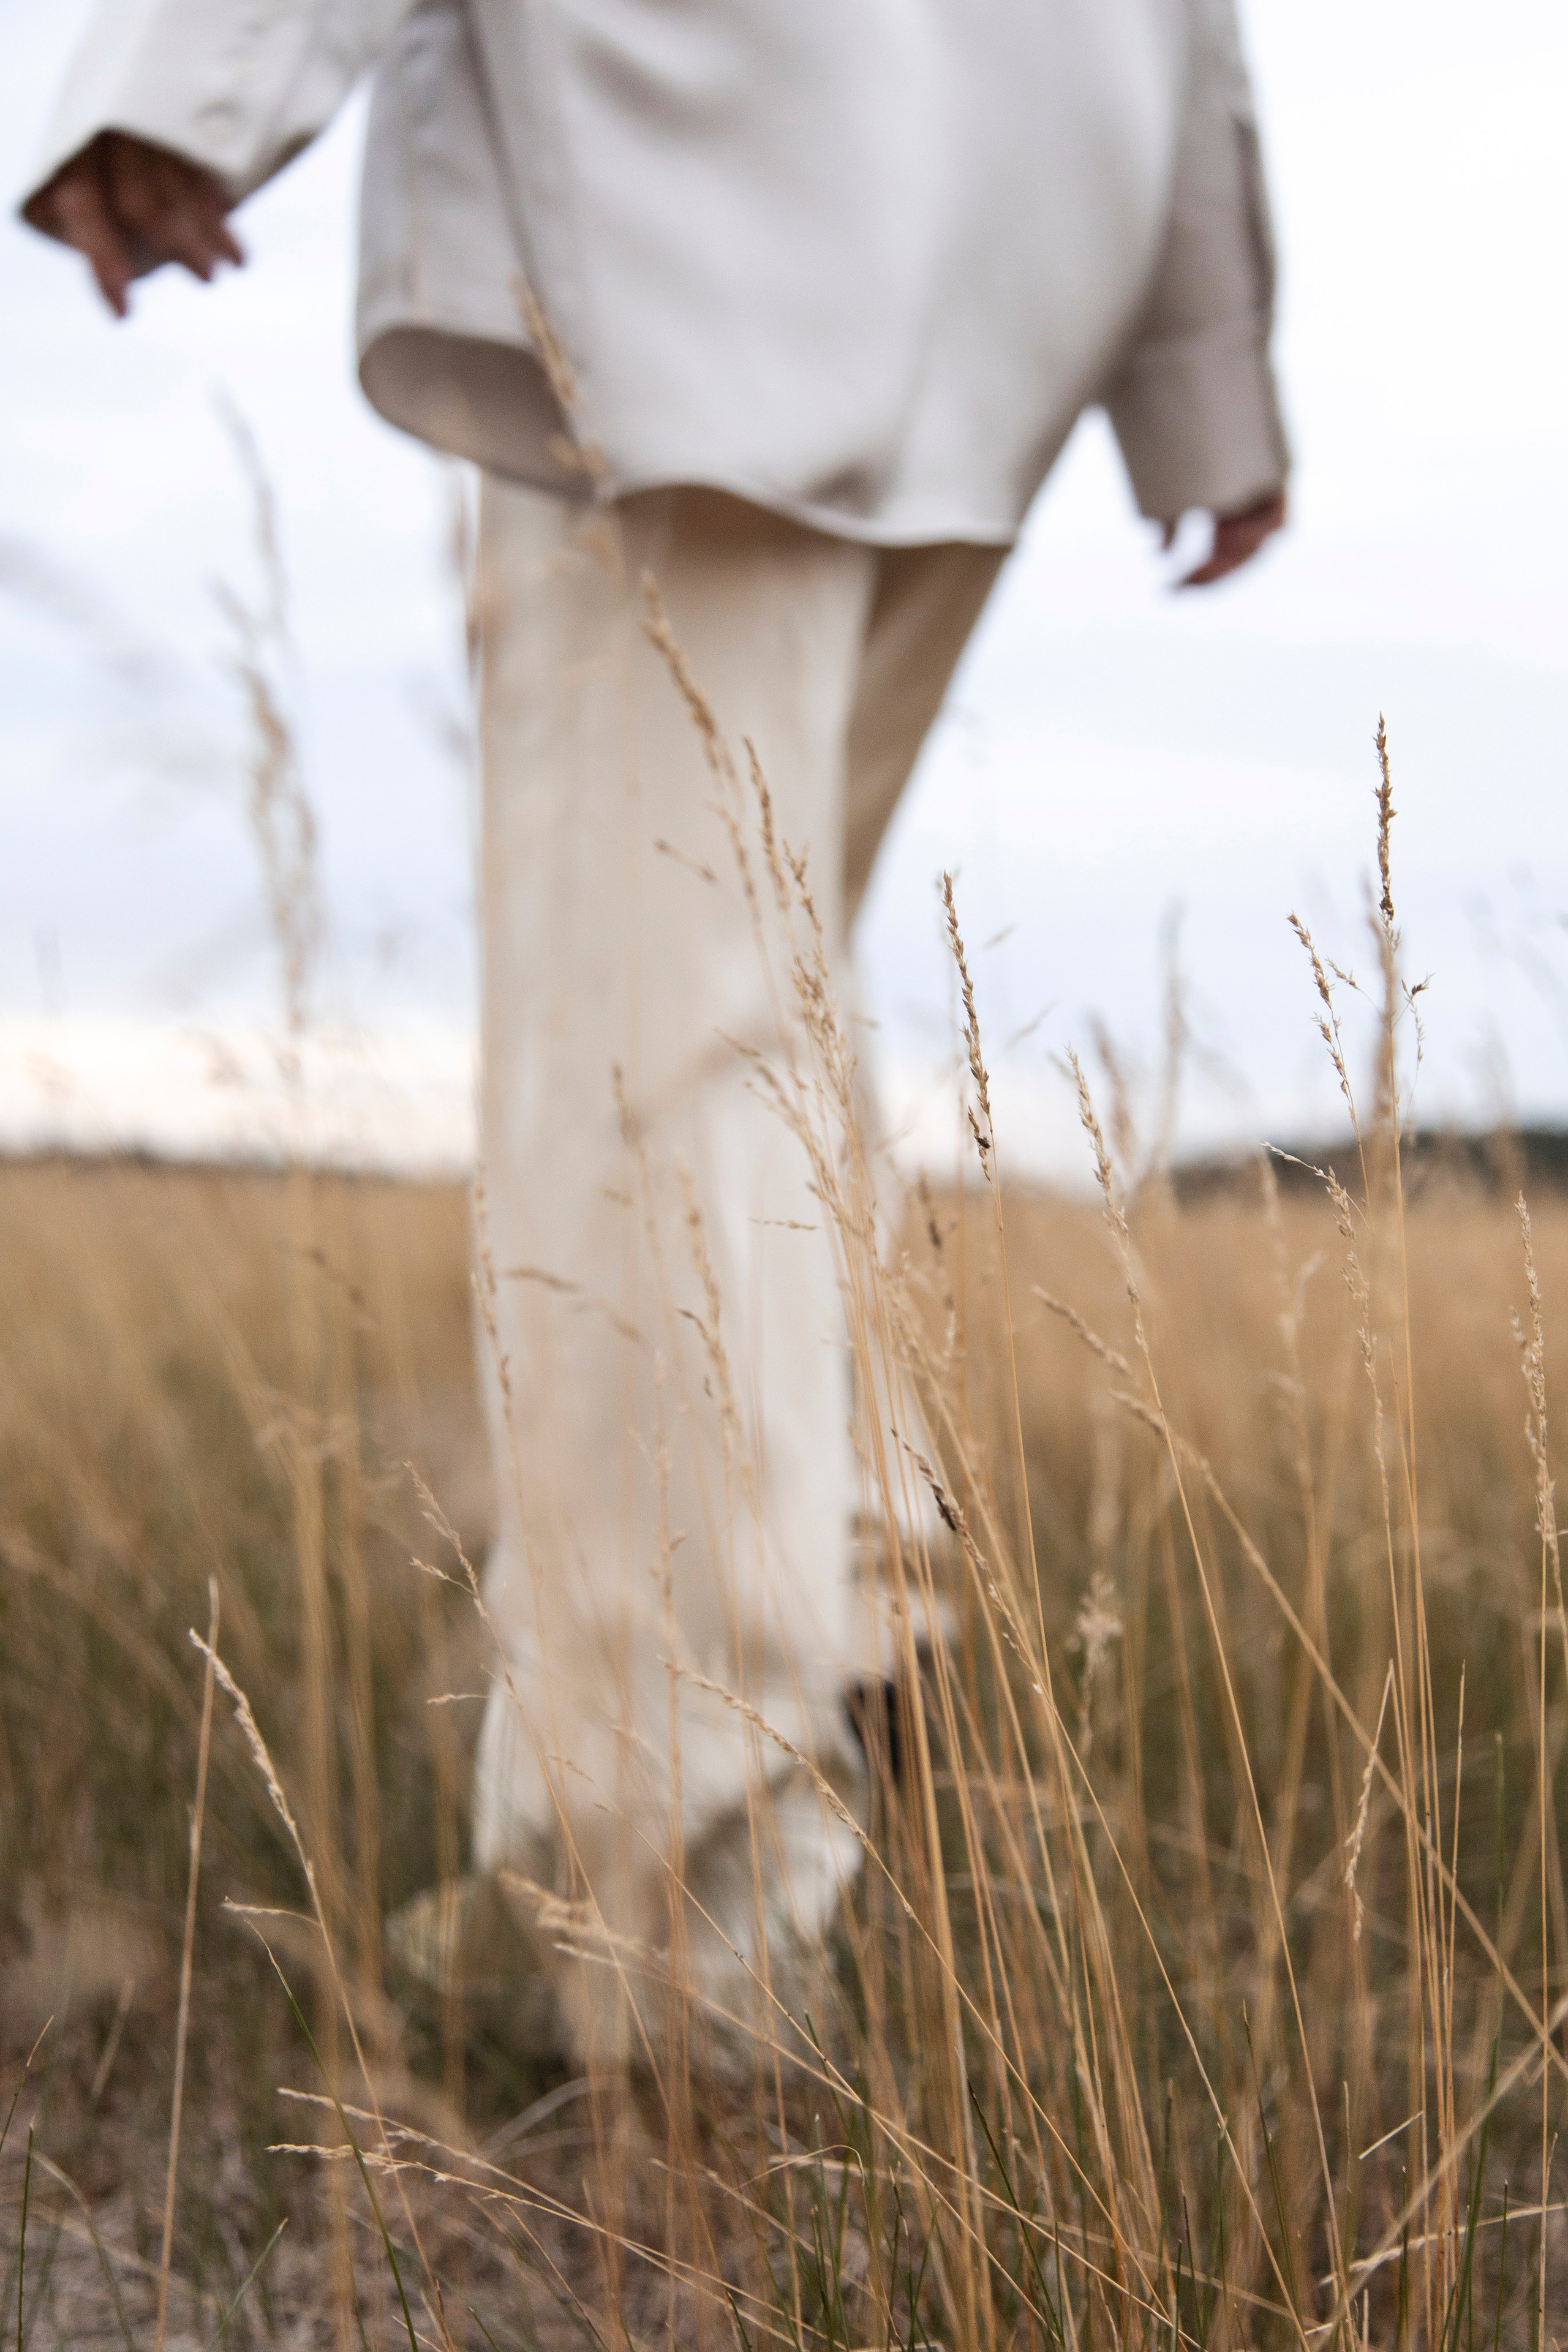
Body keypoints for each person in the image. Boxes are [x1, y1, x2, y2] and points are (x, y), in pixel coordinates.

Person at [21, 0, 1288, 2071]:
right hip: (1041, 210)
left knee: (648, 1070)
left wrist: (194, 72)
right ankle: (871, 1637)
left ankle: (670, 1915)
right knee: (743, 999)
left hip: (710, 159)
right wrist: (1198, 351)